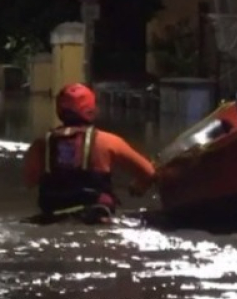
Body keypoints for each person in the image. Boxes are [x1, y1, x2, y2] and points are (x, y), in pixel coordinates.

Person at [23, 83, 157, 224]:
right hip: (95, 217)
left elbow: (30, 181)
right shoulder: (108, 141)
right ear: (91, 109)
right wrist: (139, 185)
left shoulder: (42, 143)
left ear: (59, 110)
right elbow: (149, 173)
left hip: (51, 215)